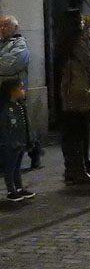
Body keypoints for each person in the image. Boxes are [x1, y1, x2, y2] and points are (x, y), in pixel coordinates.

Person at [57, 10, 90, 184]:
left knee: (72, 132)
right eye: (81, 21)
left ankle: (74, 168)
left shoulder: (65, 40)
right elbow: (89, 60)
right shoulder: (76, 41)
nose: (83, 23)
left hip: (70, 90)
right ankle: (78, 171)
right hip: (77, 89)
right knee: (77, 131)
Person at [0, 16, 40, 169]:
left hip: (15, 92)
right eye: (1, 26)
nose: (2, 28)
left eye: (6, 25)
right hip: (3, 91)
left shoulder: (20, 44)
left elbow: (10, 65)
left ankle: (34, 150)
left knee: (23, 124)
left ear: (15, 28)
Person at [0, 79, 36, 201]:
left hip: (21, 141)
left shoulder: (20, 106)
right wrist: (9, 141)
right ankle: (11, 190)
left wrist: (29, 138)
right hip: (10, 144)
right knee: (10, 167)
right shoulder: (5, 108)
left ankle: (19, 188)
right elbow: (4, 127)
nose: (23, 91)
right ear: (12, 91)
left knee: (17, 167)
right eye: (21, 88)